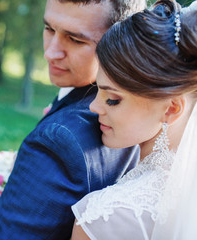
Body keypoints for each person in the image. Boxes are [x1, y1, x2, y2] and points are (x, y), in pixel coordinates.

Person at [0, 0, 145, 239]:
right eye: (49, 28)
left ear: (120, 42)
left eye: (76, 40)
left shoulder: (60, 139)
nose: (50, 52)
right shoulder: (139, 116)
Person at [71, 0, 197, 239]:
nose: (93, 106)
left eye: (113, 99)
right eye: (97, 90)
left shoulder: (105, 217)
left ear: (171, 108)